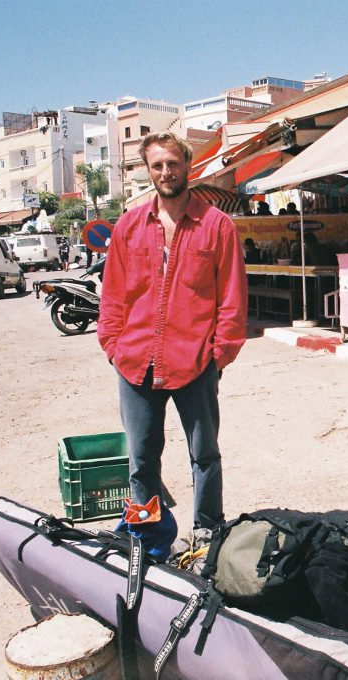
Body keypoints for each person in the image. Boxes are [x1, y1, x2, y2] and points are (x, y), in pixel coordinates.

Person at [97, 132, 247, 533]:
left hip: (195, 362)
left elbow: (232, 298)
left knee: (205, 456)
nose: (166, 172)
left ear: (188, 166)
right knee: (142, 460)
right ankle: (147, 538)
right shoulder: (128, 227)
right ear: (149, 172)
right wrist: (112, 346)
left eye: (173, 164)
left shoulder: (217, 227)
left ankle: (207, 535)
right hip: (135, 362)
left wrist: (220, 355)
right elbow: (112, 294)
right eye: (158, 165)